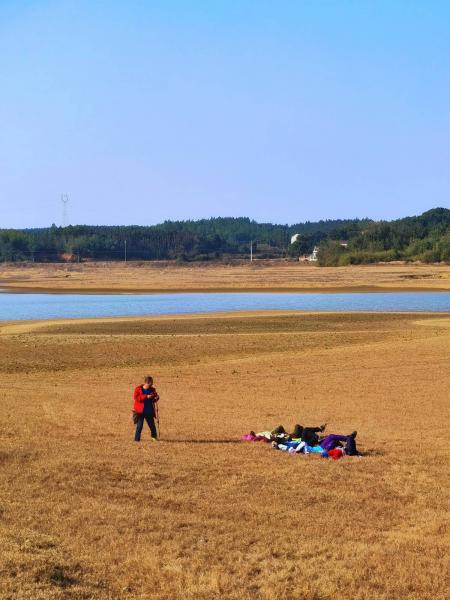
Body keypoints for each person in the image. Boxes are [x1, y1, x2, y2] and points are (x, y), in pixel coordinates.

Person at [133, 375, 160, 442]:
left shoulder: (152, 390)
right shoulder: (138, 389)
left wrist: (157, 397)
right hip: (140, 412)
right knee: (139, 426)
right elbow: (136, 398)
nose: (151, 385)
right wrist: (146, 396)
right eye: (150, 383)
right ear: (146, 383)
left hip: (149, 411)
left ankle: (154, 438)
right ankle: (136, 440)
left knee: (152, 426)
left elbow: (154, 399)